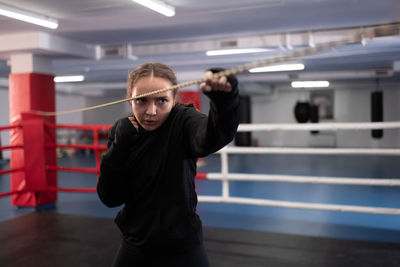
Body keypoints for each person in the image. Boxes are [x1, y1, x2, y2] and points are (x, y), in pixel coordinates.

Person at [97, 62, 240, 267]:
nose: (151, 111)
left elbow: (211, 137)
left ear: (174, 99)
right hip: (135, 245)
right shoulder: (123, 131)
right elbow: (109, 197)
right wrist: (118, 149)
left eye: (161, 100)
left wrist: (225, 101)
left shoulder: (183, 121)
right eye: (141, 100)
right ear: (130, 99)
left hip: (183, 247)